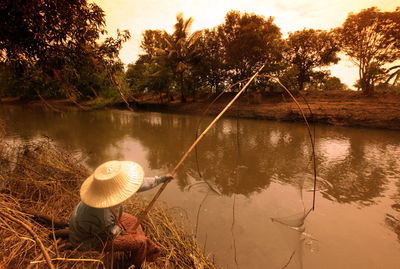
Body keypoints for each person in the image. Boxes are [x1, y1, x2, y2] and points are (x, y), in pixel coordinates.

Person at [69, 160, 172, 268]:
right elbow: (109, 234)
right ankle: (135, 263)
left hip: (104, 224)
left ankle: (140, 247)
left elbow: (136, 184)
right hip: (88, 241)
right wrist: (125, 233)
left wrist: (161, 179)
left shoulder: (103, 191)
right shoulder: (103, 215)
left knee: (132, 220)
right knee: (140, 242)